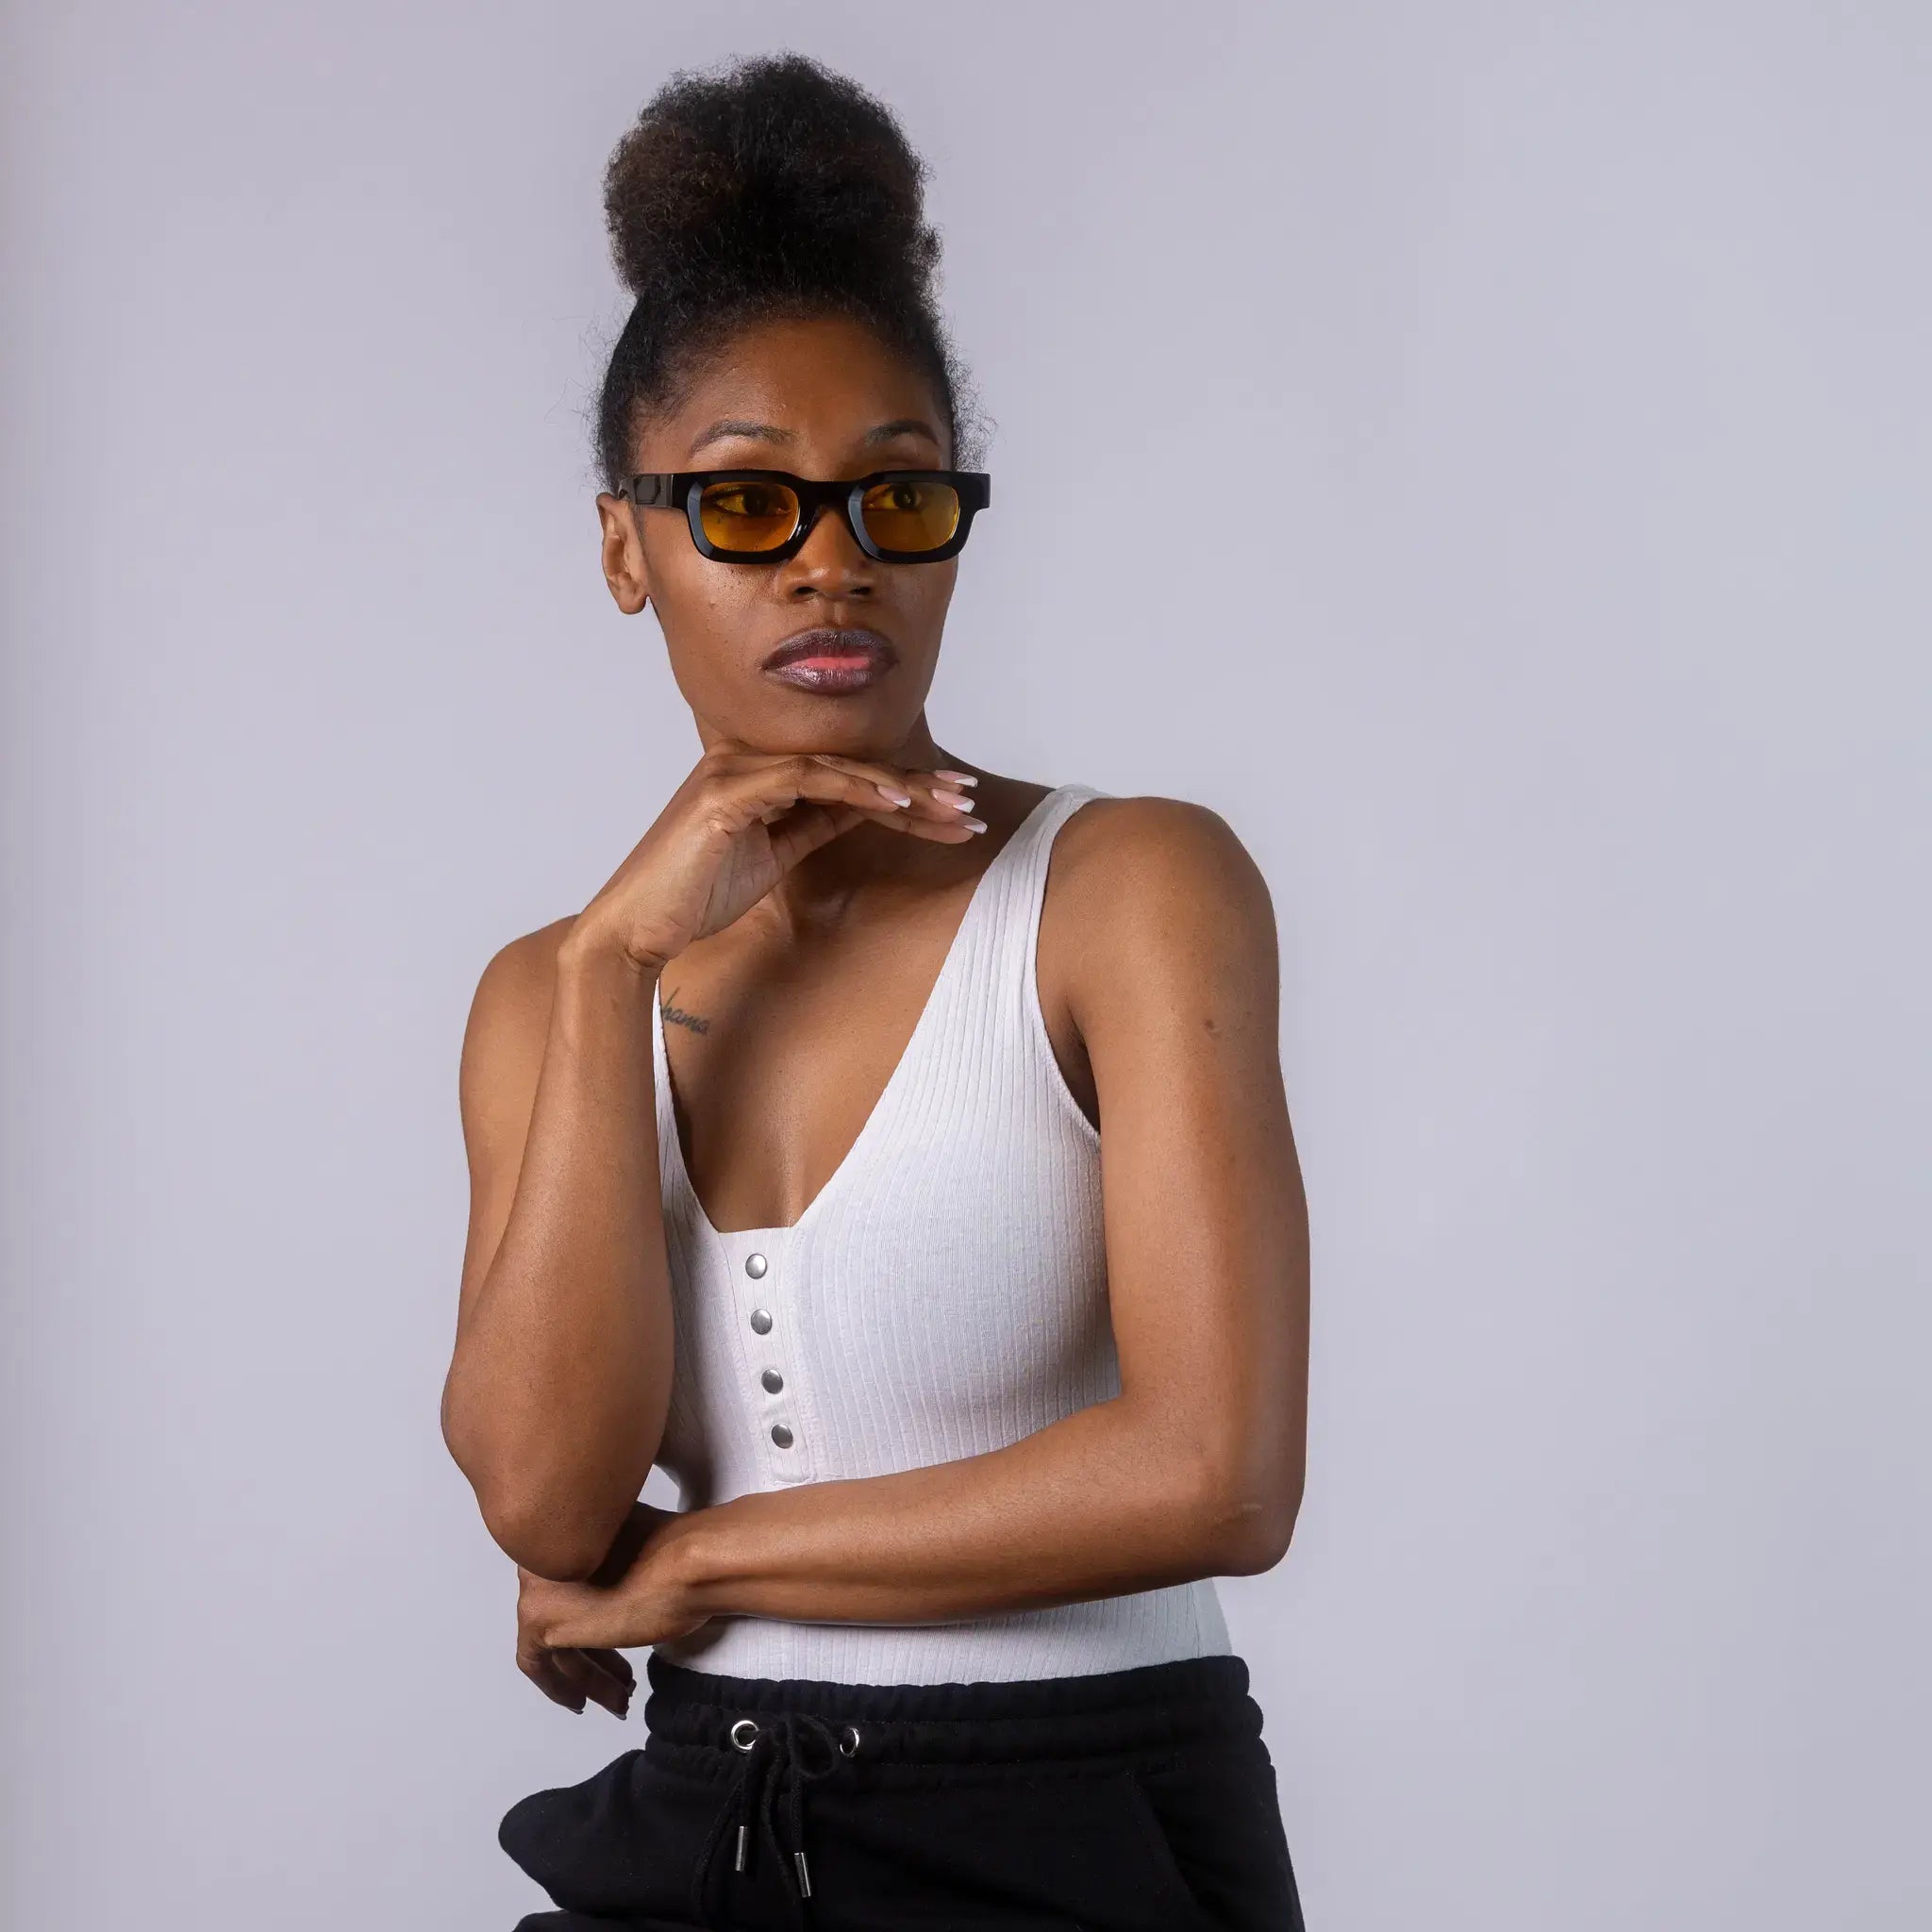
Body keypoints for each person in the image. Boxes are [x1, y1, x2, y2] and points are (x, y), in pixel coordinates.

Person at [441, 50, 1311, 1932]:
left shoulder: (1124, 890)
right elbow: (543, 1497)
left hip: (1076, 1824)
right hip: (700, 1827)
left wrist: (709, 1567)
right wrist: (613, 963)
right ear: (625, 543)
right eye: (746, 507)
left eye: (896, 501)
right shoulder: (549, 994)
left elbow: (1218, 1469)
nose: (832, 563)